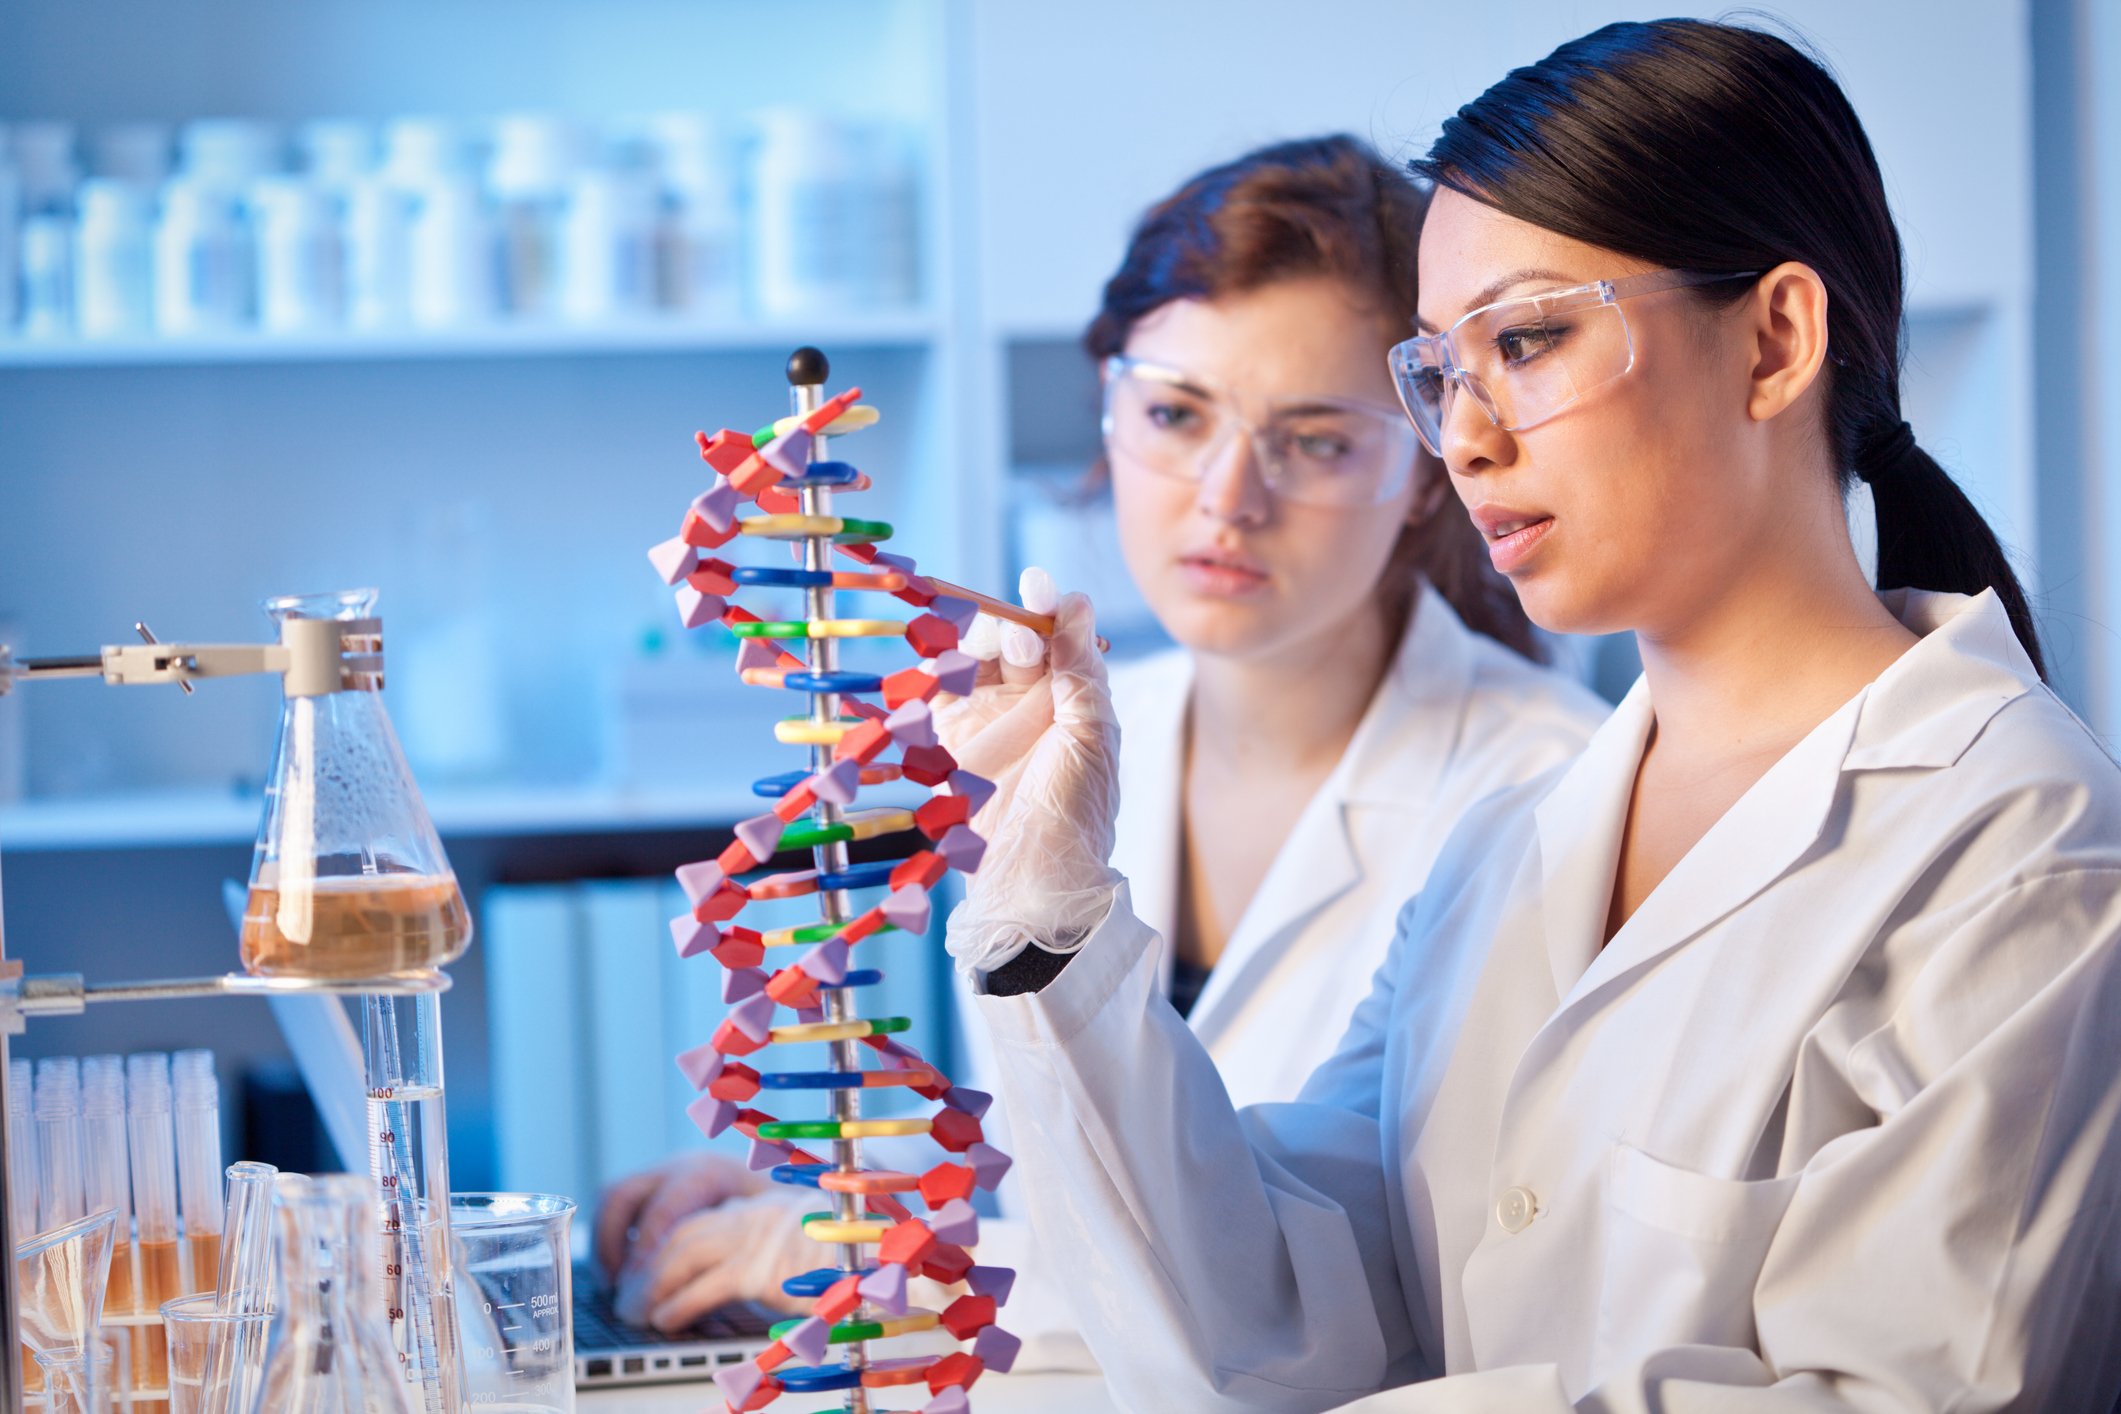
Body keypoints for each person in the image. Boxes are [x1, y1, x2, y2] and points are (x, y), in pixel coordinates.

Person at [945, 20, 2121, 1411]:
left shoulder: (2013, 845)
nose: (1467, 435)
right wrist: (1053, 911)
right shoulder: (1506, 848)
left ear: (1775, 340)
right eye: (1441, 370)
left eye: (1530, 338)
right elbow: (1275, 1308)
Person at [592, 135, 1608, 1357]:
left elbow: (1379, 1282)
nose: (1229, 496)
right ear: (1113, 410)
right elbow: (1080, 1169)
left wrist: (881, 1267)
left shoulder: (1549, 790)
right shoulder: (1070, 738)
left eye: (1319, 439)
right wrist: (847, 1210)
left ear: (1432, 464)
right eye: (1177, 415)